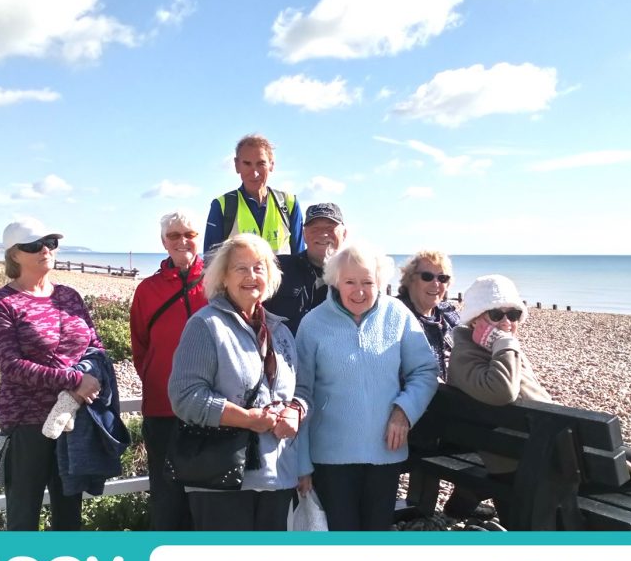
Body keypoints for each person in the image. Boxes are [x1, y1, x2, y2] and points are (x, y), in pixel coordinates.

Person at [446, 274, 631, 521]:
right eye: (495, 314)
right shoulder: (472, 355)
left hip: (531, 447)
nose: (506, 322)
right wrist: (505, 343)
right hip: (533, 461)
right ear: (474, 319)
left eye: (512, 315)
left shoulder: (488, 350)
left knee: (627, 460)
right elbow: (502, 392)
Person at [168, 234, 310, 531]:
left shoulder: (280, 331)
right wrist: (246, 419)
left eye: (259, 267)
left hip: (277, 474)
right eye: (240, 268)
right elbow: (184, 396)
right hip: (223, 479)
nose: (251, 276)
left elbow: (302, 389)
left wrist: (296, 411)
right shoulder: (206, 325)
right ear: (223, 276)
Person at [294, 241, 438, 531]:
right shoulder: (313, 323)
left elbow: (424, 371)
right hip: (330, 457)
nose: (359, 291)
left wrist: (404, 411)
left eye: (367, 282)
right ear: (336, 282)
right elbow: (300, 393)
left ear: (380, 282)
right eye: (350, 282)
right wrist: (301, 463)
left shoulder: (397, 315)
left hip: (385, 453)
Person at [0, 218, 103, 531]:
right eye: (34, 245)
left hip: (73, 420)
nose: (45, 250)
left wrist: (84, 383)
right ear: (14, 255)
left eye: (50, 242)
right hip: (27, 423)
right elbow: (10, 365)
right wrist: (74, 380)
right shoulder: (3, 303)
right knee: (23, 518)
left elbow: (95, 347)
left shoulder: (69, 296)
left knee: (69, 518)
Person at [129, 211, 207, 530]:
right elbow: (140, 347)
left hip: (211, 409)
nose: (182, 241)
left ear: (199, 237)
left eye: (188, 234)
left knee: (208, 497)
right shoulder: (147, 290)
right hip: (162, 408)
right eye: (174, 236)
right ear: (163, 242)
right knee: (166, 497)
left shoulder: (219, 281)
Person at [203, 134, 304, 256]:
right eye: (247, 164)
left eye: (261, 164)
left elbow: (300, 259)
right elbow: (210, 263)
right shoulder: (222, 206)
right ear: (237, 165)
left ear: (271, 165)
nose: (254, 173)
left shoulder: (289, 203)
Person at [264, 201, 347, 336]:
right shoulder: (278, 268)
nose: (323, 234)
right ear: (304, 235)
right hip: (285, 353)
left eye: (330, 228)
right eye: (315, 229)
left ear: (344, 234)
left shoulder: (355, 275)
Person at [396, 250, 460, 378]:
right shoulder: (397, 316)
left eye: (442, 278)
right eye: (427, 277)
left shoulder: (448, 314)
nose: (436, 283)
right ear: (410, 279)